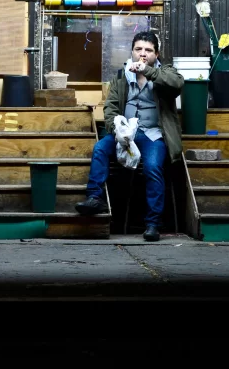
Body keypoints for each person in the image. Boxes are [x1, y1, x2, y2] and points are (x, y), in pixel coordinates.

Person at [74, 31, 184, 241]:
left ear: (156, 54)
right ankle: (95, 198)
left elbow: (177, 84)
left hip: (153, 135)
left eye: (148, 50)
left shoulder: (165, 72)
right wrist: (117, 130)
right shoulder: (120, 76)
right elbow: (111, 107)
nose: (143, 54)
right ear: (132, 51)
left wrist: (148, 71)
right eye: (138, 49)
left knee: (152, 168)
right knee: (100, 149)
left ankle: (152, 224)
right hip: (126, 136)